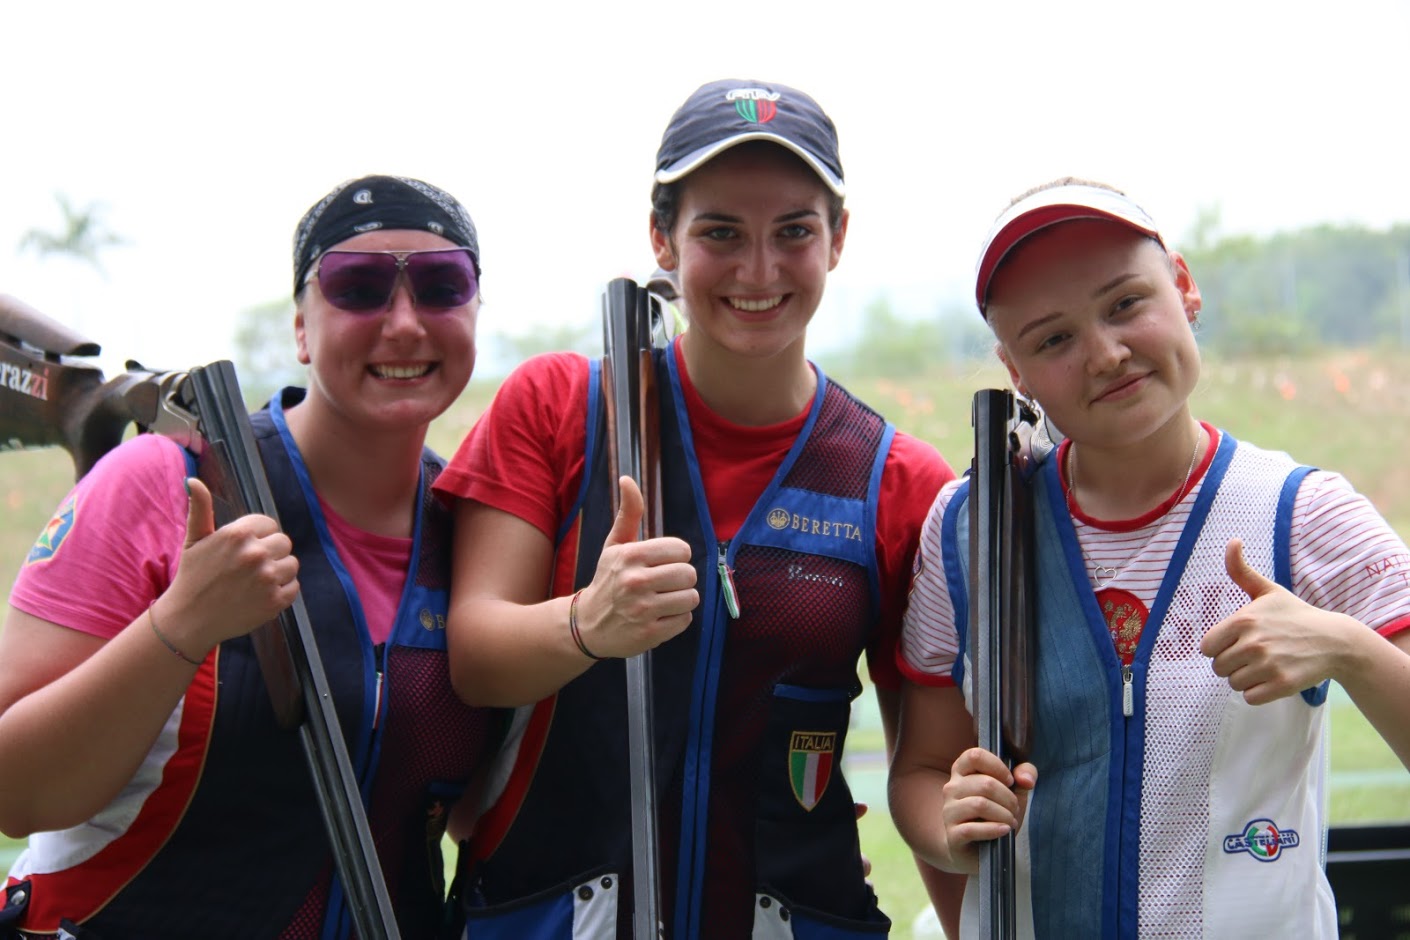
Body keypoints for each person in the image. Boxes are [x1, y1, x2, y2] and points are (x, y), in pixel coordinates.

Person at [435, 79, 959, 937]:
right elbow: (475, 657)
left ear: (838, 239)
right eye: (720, 232)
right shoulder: (558, 406)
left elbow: (924, 767)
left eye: (794, 231)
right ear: (662, 238)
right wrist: (587, 624)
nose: (759, 270)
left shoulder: (897, 477)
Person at [888, 178, 1410, 938]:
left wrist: (1348, 648)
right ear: (1015, 370)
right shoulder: (969, 530)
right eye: (1053, 340)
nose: (1106, 354)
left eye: (1126, 303)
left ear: (1184, 287)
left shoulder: (1303, 513)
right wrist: (950, 825)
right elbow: (920, 771)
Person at [0, 175, 503, 938]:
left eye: (441, 286)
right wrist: (181, 625)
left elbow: (478, 813)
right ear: (301, 328)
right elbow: (15, 793)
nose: (404, 324)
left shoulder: (475, 529)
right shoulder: (163, 480)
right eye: (358, 287)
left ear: (474, 313)